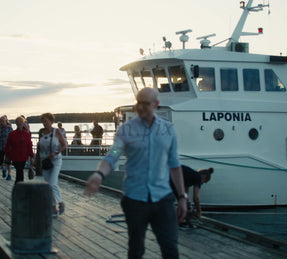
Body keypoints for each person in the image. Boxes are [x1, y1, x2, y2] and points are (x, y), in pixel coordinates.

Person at [84, 87, 187, 259]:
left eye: (145, 104)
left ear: (156, 105)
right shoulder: (126, 130)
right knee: (136, 249)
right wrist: (99, 174)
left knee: (170, 248)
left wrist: (182, 196)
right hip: (135, 199)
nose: (140, 107)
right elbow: (113, 156)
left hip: (163, 199)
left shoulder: (168, 130)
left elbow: (175, 165)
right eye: (138, 102)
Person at [34, 112, 67, 217]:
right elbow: (39, 147)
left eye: (46, 121)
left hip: (55, 160)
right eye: (43, 121)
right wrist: (36, 160)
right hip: (45, 161)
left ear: (51, 122)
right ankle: (53, 207)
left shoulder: (56, 131)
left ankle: (61, 202)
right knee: (48, 185)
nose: (44, 123)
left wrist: (56, 152)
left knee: (52, 183)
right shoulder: (41, 132)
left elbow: (64, 145)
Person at [5, 116, 34, 184]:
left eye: (21, 122)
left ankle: (19, 185)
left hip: (24, 156)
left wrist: (31, 156)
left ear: (23, 123)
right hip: (15, 156)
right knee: (19, 170)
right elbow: (8, 146)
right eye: (18, 122)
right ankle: (20, 184)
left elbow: (29, 145)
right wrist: (7, 155)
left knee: (20, 170)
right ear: (16, 123)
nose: (19, 123)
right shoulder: (12, 134)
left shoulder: (26, 134)